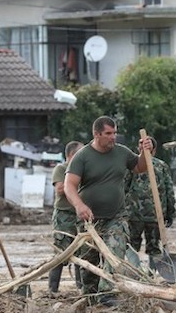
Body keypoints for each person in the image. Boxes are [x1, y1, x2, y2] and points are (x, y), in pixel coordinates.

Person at [63, 116, 151, 307]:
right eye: (109, 134)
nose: (113, 137)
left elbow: (140, 167)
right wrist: (79, 205)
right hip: (89, 220)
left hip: (116, 216)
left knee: (115, 251)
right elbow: (69, 185)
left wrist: (144, 152)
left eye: (115, 133)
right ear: (97, 134)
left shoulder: (121, 152)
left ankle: (107, 292)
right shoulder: (82, 156)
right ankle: (90, 297)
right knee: (89, 263)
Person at [126, 136, 175, 268]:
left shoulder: (132, 165)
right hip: (154, 214)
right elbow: (169, 191)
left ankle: (135, 271)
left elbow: (124, 188)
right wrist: (170, 213)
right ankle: (151, 274)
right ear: (154, 150)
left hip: (135, 213)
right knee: (153, 247)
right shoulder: (161, 166)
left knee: (132, 244)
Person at [48, 140, 84, 293]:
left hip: (79, 215)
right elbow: (60, 189)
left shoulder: (84, 169)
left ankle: (81, 288)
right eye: (81, 152)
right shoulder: (61, 168)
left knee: (81, 252)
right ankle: (52, 289)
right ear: (71, 155)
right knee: (61, 253)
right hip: (64, 216)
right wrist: (74, 180)